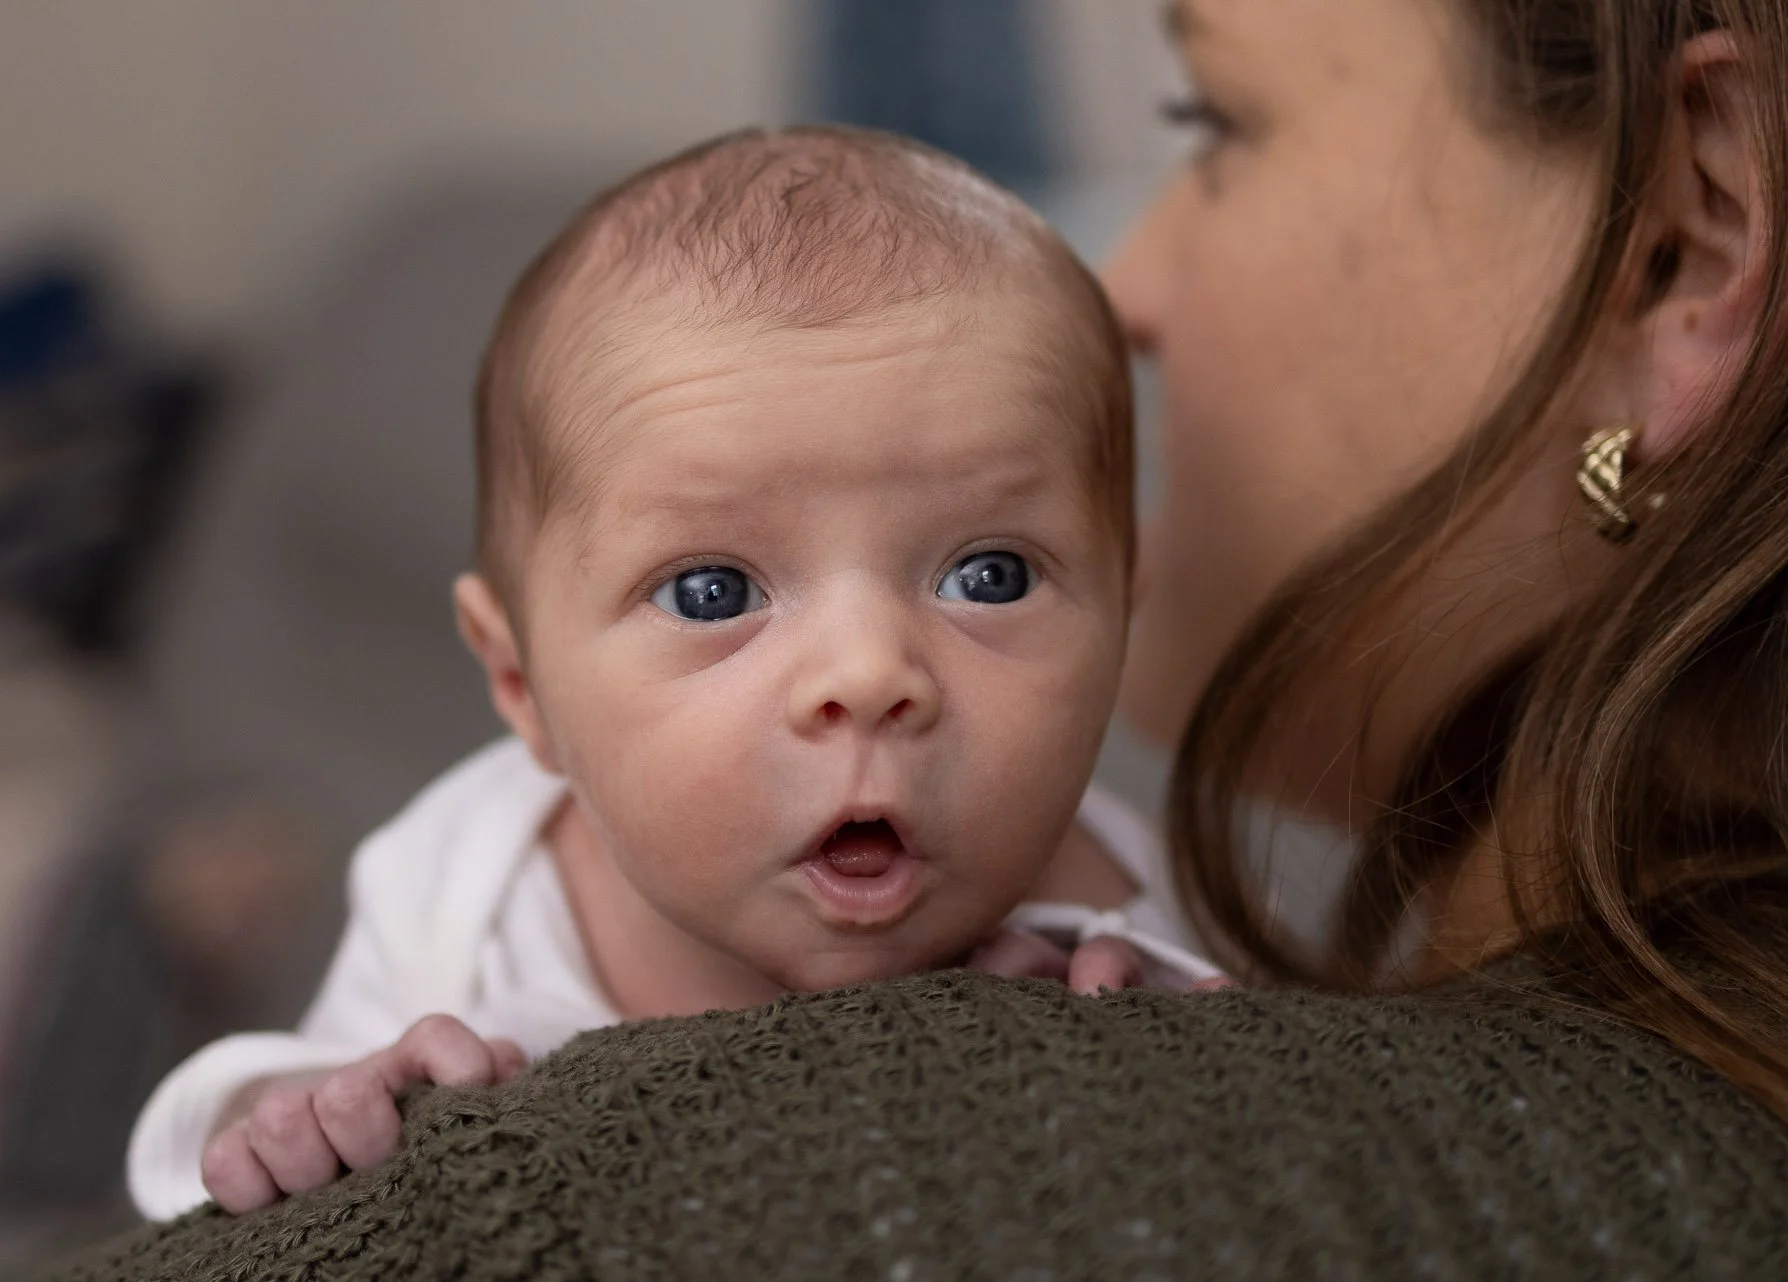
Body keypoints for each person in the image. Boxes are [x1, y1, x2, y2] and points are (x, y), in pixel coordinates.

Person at [5, 1, 1788, 1282]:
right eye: (716, 588)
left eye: (1224, 124)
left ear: (1689, 241)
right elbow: (243, 1131)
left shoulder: (1087, 1089)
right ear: (511, 678)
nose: (1125, 283)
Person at [123, 127, 1220, 1222]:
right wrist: (302, 1108)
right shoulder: (459, 894)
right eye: (713, 594)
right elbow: (203, 1162)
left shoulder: (1125, 911)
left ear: (1120, 611)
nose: (871, 673)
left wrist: (1164, 1036)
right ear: (521, 685)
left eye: (988, 575)